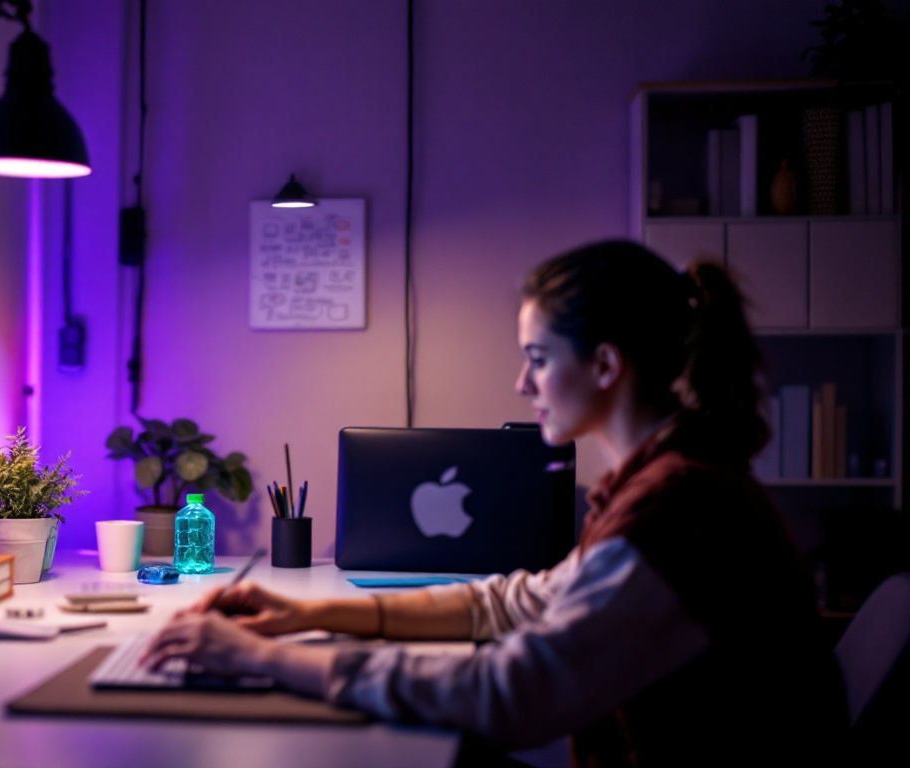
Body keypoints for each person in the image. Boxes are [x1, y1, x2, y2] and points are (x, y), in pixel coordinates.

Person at [143, 240, 846, 766]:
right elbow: (509, 604)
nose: (520, 382)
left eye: (538, 358)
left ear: (604, 365)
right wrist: (311, 613)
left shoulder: (677, 509)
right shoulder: (662, 483)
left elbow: (510, 697)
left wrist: (262, 661)